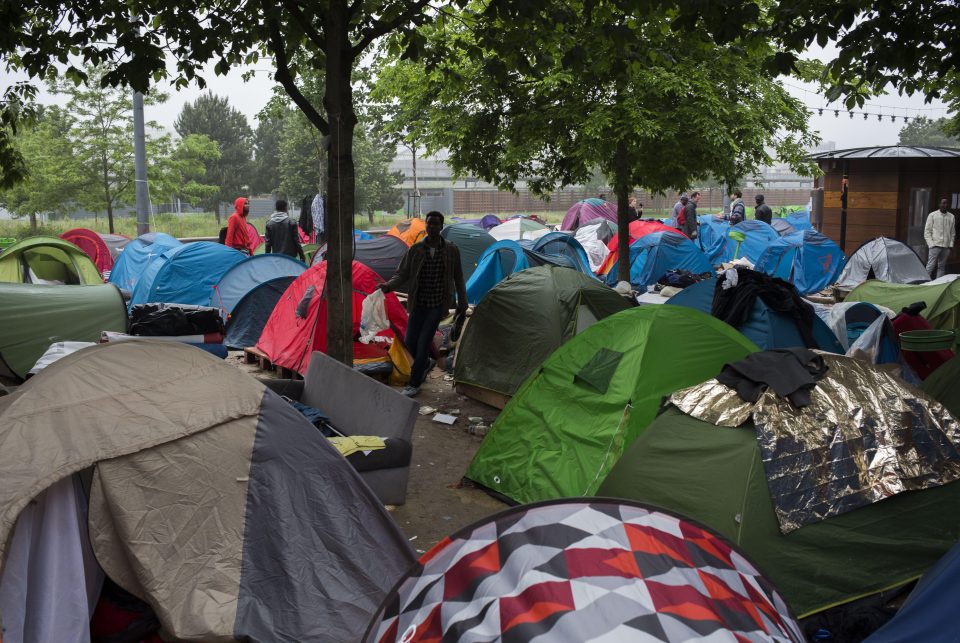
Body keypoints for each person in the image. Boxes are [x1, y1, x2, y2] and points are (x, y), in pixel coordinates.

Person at [380, 211, 468, 397]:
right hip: (418, 303)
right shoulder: (416, 250)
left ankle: (414, 383)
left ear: (441, 226)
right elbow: (402, 273)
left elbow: (458, 276)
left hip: (437, 306)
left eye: (436, 224)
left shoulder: (451, 250)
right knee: (410, 340)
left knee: (423, 342)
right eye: (429, 224)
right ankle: (427, 362)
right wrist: (388, 286)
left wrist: (463, 300)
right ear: (426, 226)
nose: (432, 227)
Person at [924, 197, 956, 279]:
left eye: (946, 203)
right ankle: (924, 282)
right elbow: (927, 232)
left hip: (946, 247)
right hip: (935, 245)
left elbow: (952, 232)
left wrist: (950, 245)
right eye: (943, 203)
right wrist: (931, 244)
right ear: (939, 204)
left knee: (941, 267)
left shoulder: (951, 216)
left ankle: (938, 284)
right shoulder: (932, 215)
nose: (945, 205)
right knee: (930, 265)